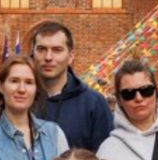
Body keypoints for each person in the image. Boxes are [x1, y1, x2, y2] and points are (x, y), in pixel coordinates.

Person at [30, 21, 112, 152]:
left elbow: (105, 157)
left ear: (71, 56)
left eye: (57, 50)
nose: (48, 57)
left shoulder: (93, 103)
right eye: (41, 49)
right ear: (33, 53)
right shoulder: (21, 99)